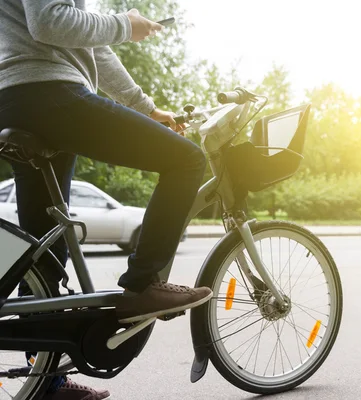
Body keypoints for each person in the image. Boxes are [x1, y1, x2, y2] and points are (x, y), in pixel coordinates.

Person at [0, 1, 214, 398]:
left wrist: (145, 107)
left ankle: (45, 381)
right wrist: (124, 24)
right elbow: (50, 23)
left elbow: (89, 46)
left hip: (20, 97)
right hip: (48, 92)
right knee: (187, 159)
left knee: (42, 253)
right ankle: (142, 284)